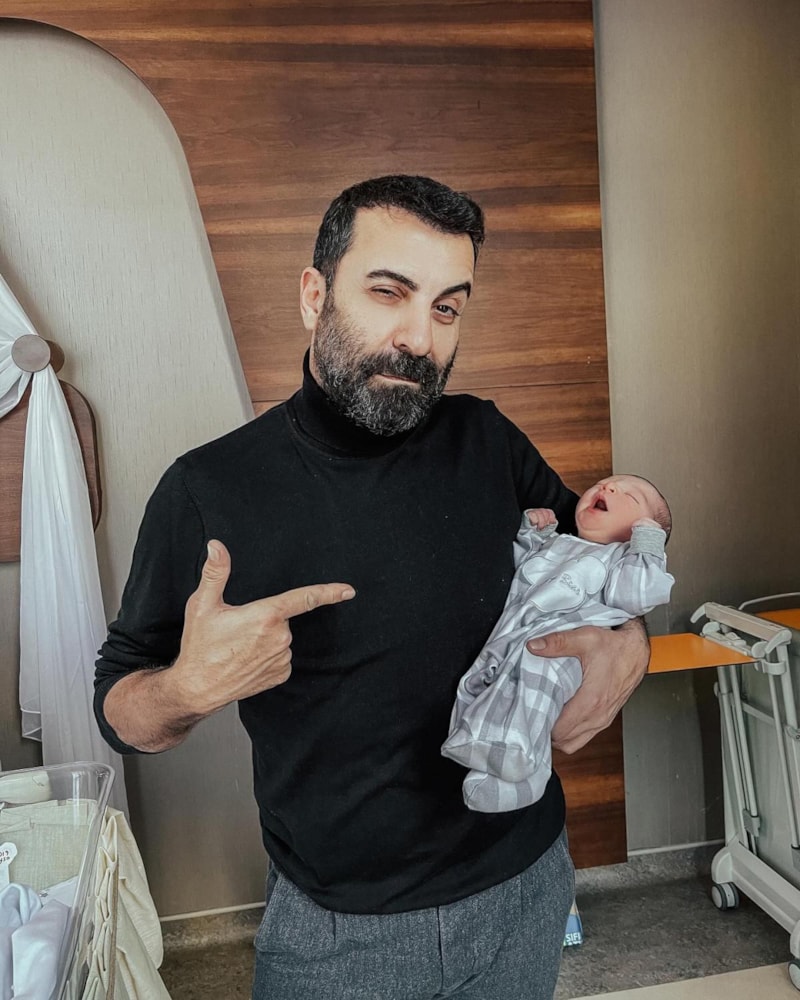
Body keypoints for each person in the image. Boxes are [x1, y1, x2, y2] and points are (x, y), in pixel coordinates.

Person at [94, 175, 651, 1000]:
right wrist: (185, 688)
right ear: (314, 295)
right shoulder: (208, 490)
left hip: (527, 884)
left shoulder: (487, 439)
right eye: (389, 292)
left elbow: (601, 568)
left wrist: (630, 646)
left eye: (446, 307)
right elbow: (119, 709)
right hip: (339, 937)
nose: (418, 338)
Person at [442, 475, 674, 813]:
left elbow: (639, 595)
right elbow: (521, 569)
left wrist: (649, 545)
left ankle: (519, 756)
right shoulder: (559, 543)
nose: (608, 488)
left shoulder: (621, 561)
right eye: (605, 483)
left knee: (536, 681)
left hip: (565, 652)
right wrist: (533, 533)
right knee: (490, 688)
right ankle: (499, 767)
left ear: (641, 531)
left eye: (631, 496)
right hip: (515, 636)